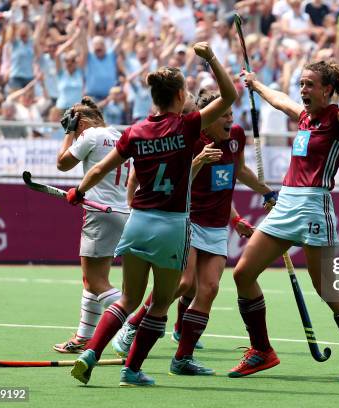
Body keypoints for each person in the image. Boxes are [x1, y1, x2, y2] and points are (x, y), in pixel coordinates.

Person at [68, 41, 237, 387]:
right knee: (160, 302)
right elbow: (230, 95)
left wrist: (79, 191)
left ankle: (91, 353)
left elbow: (100, 169)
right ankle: (131, 370)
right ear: (177, 96)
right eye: (186, 91)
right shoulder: (187, 126)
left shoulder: (134, 132)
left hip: (138, 221)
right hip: (171, 226)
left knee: (128, 298)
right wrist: (211, 59)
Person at [228, 61, 339, 381]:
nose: (303, 90)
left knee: (325, 286)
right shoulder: (304, 118)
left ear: (327, 89)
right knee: (243, 273)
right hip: (286, 204)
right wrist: (255, 85)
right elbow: (281, 99)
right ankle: (261, 351)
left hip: (313, 206)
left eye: (310, 85)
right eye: (301, 84)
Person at [111, 90, 275, 376]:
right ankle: (133, 325)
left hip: (217, 225)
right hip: (188, 220)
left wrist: (266, 192)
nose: (229, 120)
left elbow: (237, 173)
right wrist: (198, 160)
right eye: (223, 115)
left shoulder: (235, 136)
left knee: (209, 289)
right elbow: (162, 178)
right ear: (207, 119)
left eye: (231, 115)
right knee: (185, 283)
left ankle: (182, 358)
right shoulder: (189, 137)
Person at [53, 97, 130, 353]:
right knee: (92, 280)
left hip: (99, 213)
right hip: (122, 213)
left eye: (75, 126)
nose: (75, 132)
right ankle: (83, 338)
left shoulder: (92, 135)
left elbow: (62, 163)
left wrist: (68, 134)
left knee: (97, 282)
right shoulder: (119, 135)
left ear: (82, 122)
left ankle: (136, 324)